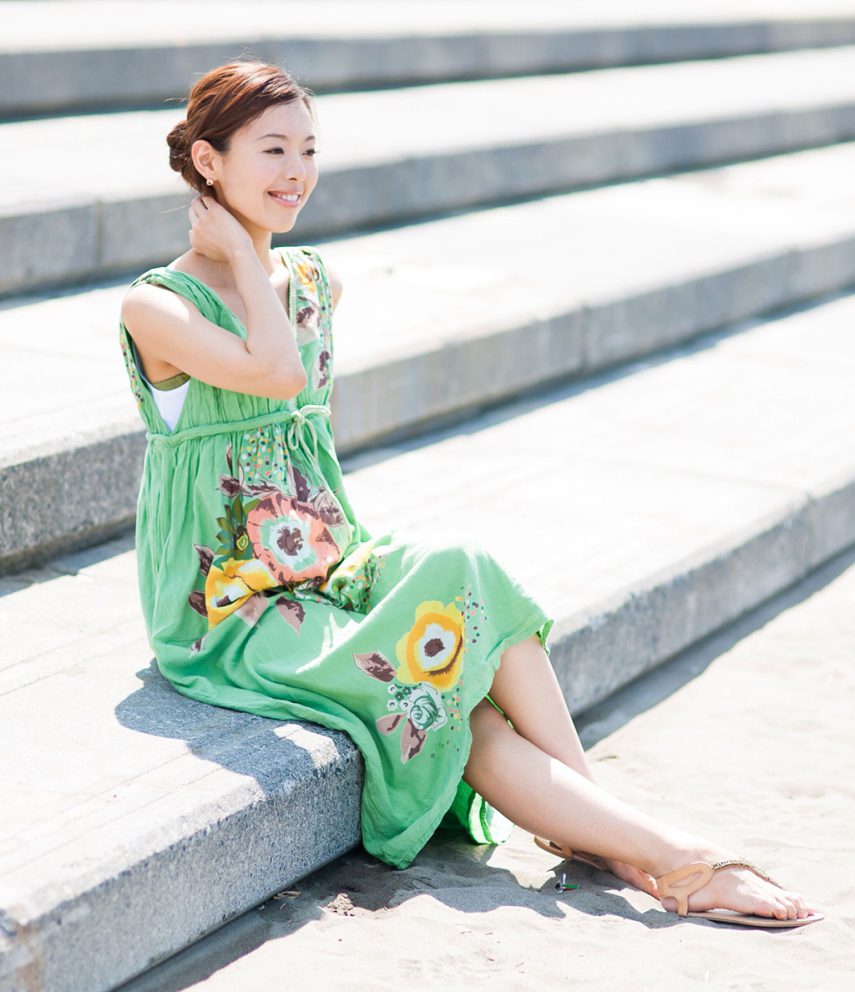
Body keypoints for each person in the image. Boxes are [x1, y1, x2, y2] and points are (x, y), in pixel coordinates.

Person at [118, 57, 821, 929]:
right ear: (208, 162)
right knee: (451, 701)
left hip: (324, 565)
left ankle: (594, 822)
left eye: (308, 148)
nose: (296, 171)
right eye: (271, 149)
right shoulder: (159, 307)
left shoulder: (313, 283)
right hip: (228, 607)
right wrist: (236, 256)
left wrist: (254, 263)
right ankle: (671, 859)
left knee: (468, 570)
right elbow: (277, 373)